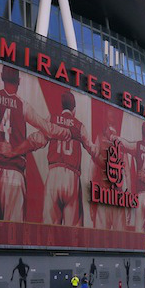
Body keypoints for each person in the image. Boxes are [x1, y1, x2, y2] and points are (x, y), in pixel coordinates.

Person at [0, 65, 69, 221]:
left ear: (1, 76)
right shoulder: (23, 105)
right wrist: (65, 132)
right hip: (15, 172)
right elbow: (47, 128)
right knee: (13, 230)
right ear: (19, 81)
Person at [43, 91, 99, 226]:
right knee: (72, 230)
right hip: (71, 176)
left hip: (53, 173)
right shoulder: (79, 126)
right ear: (74, 109)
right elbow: (92, 149)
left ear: (62, 106)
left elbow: (40, 140)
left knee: (49, 228)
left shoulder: (52, 119)